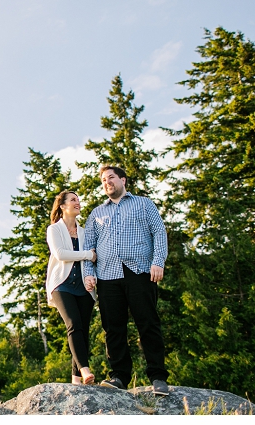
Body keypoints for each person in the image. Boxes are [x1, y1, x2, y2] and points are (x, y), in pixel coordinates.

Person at [83, 165, 169, 396]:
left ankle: (158, 377)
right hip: (108, 276)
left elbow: (159, 232)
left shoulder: (144, 204)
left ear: (122, 180)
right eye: (103, 180)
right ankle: (119, 376)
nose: (107, 182)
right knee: (113, 329)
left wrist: (158, 261)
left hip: (140, 272)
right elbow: (87, 247)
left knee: (148, 323)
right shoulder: (97, 213)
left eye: (111, 177)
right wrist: (88, 272)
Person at [45, 190, 98, 385]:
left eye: (79, 199)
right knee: (73, 323)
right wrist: (87, 254)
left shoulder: (85, 232)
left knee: (83, 330)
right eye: (73, 200)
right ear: (62, 206)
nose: (78, 202)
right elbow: (60, 254)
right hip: (62, 285)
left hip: (84, 287)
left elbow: (95, 259)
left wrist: (93, 278)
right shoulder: (54, 230)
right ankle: (85, 368)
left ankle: (77, 380)